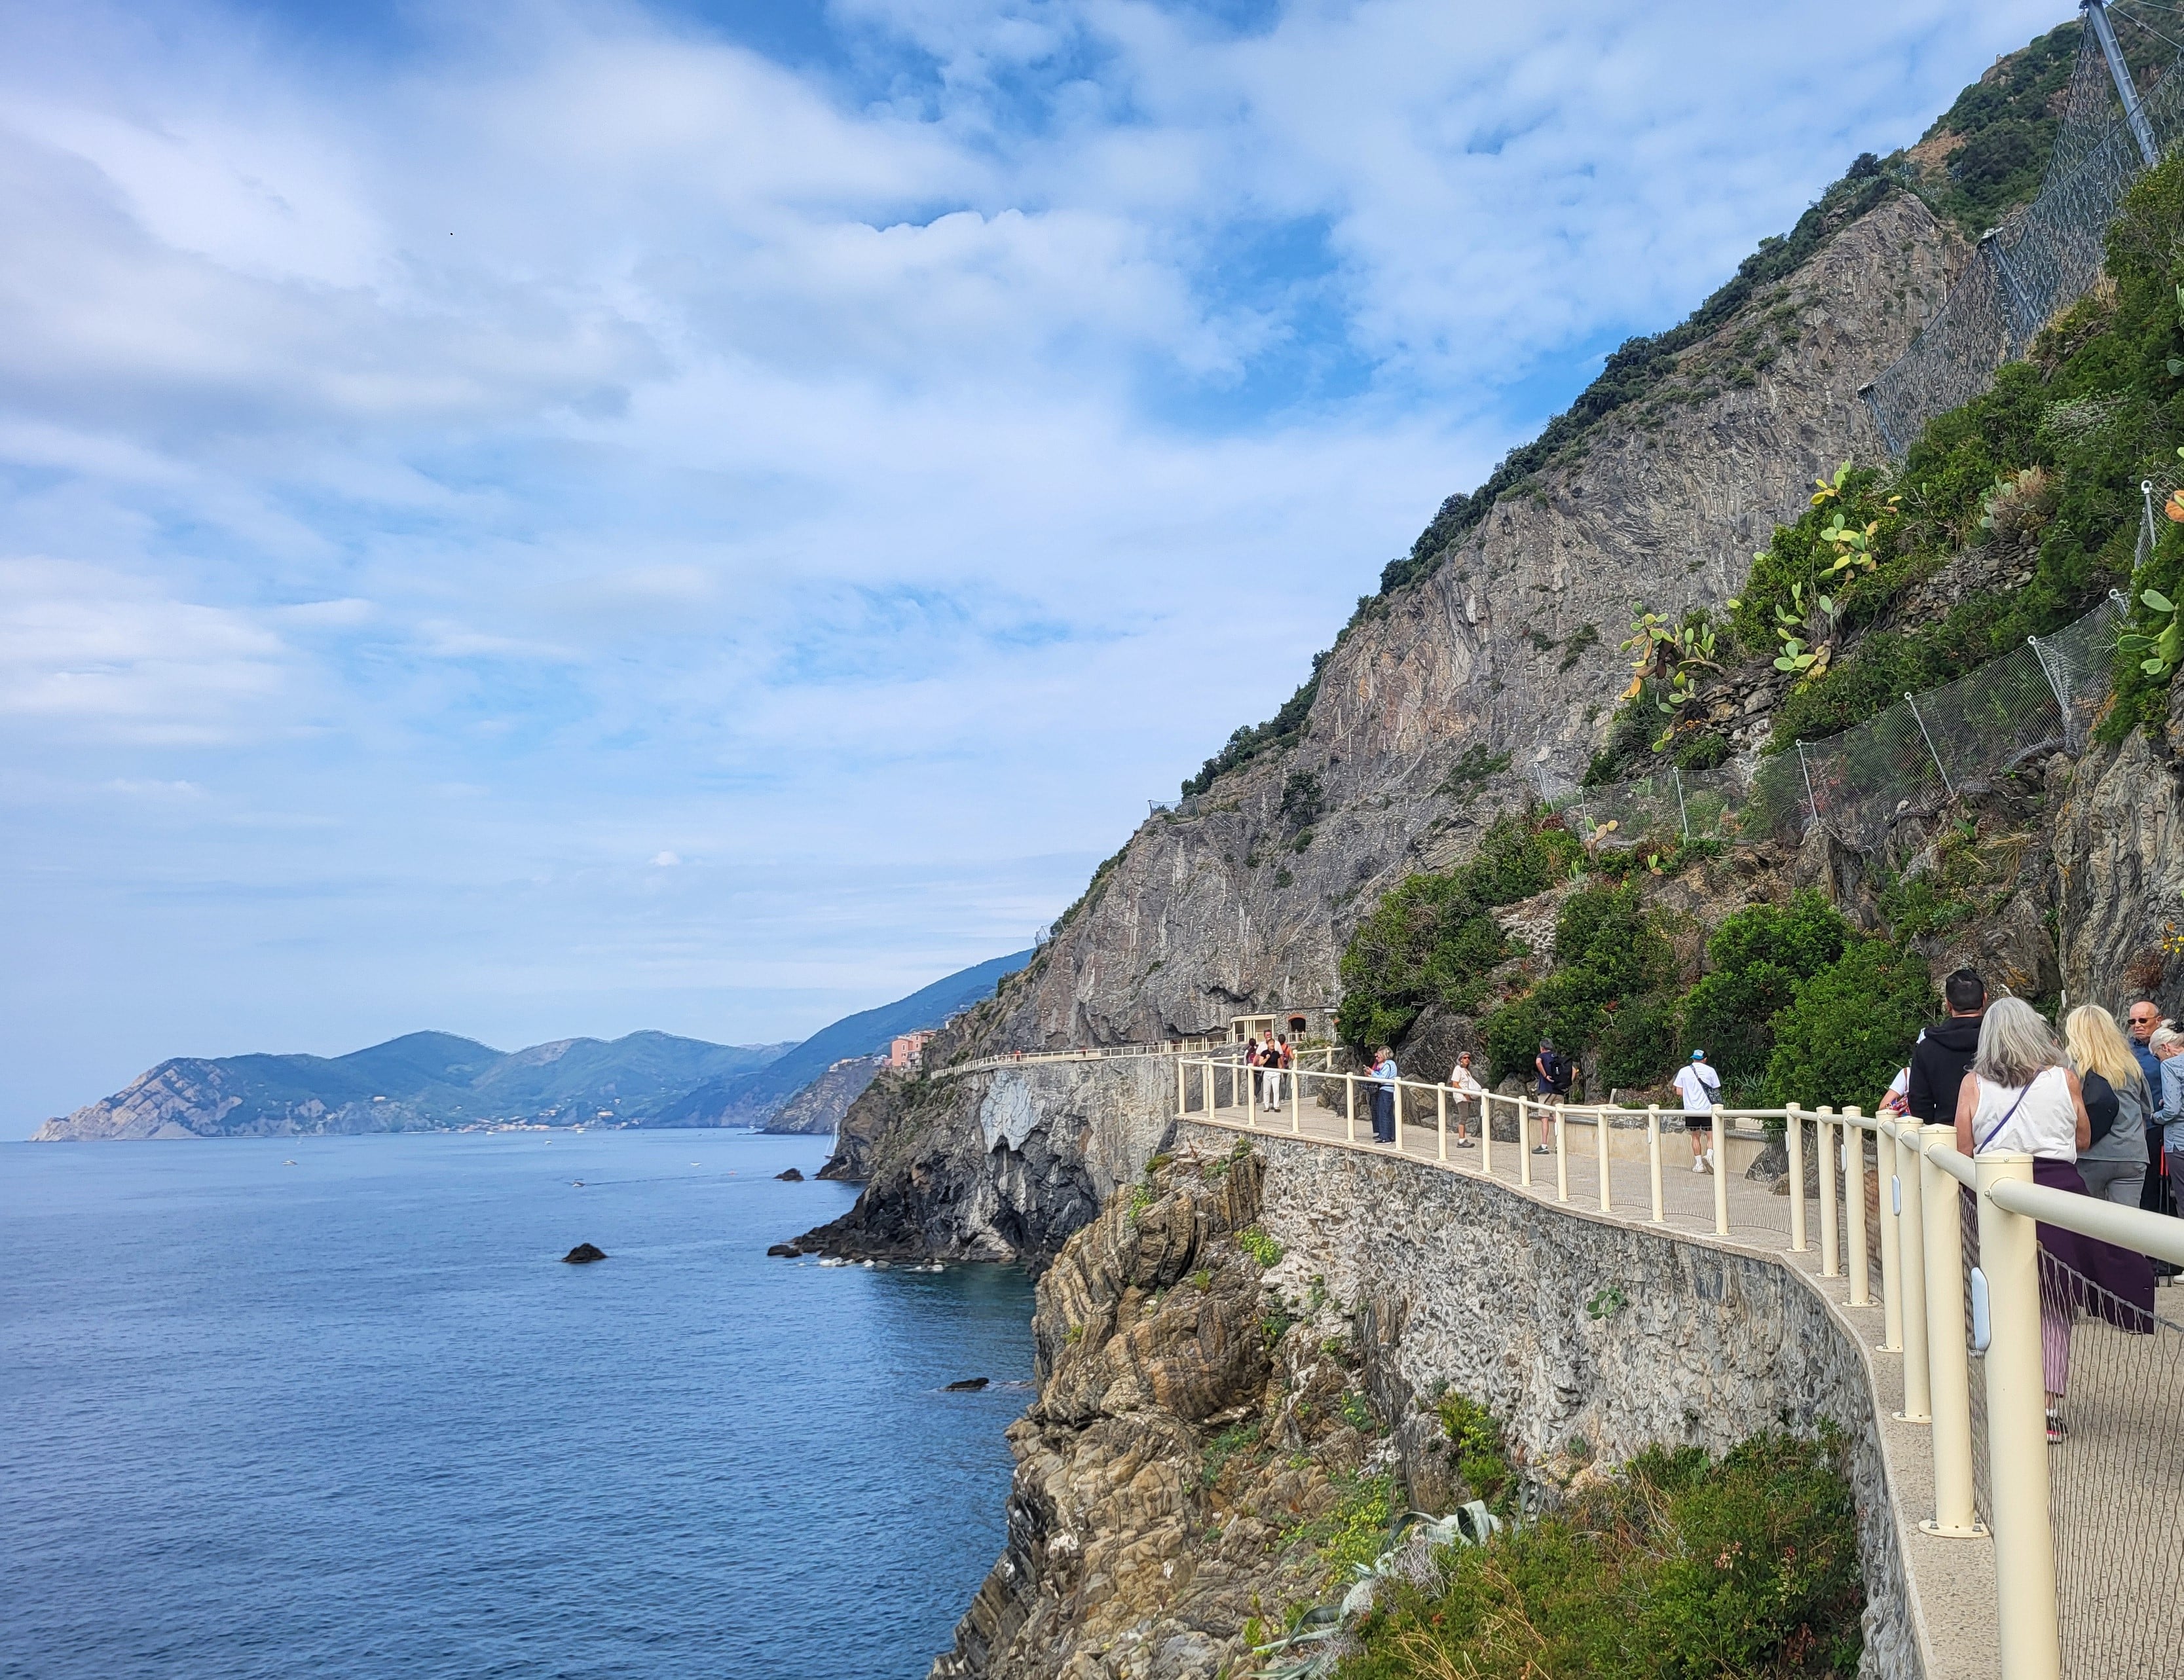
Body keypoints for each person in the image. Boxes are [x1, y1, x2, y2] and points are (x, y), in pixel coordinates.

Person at [1955, 998, 2155, 1443]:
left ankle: (2004, 1395)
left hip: (1993, 1199)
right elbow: (2081, 1137)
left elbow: (1963, 1150)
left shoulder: (1973, 1084)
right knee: (2054, 1303)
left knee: (1999, 1297)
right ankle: (2046, 1407)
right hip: (2056, 1194)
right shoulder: (2063, 1079)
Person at [2064, 1005, 2149, 1209]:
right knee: (2126, 1229)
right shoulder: (2132, 1067)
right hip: (2132, 1155)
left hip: (2090, 1155)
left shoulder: (2074, 1070)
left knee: (2089, 1227)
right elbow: (2146, 1111)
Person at [1908, 968, 1986, 1123]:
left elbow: (1919, 1104)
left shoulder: (1928, 1048)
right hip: (1996, 1138)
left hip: (1946, 1137)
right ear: (1985, 999)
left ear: (1948, 1005)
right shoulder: (2001, 1040)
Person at [2125, 1002, 2171, 1216]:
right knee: (2149, 1185)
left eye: (2143, 1020)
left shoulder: (2173, 1045)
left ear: (2158, 1020)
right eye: (2132, 1021)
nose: (2137, 1026)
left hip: (2172, 1124)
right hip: (2144, 1128)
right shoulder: (2126, 1050)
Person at [1673, 1048, 1722, 1172]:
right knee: (1711, 1135)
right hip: (1707, 1110)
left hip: (1691, 1110)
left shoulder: (1684, 1071)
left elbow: (1679, 1091)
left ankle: (1699, 1164)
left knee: (1695, 1136)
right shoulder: (1711, 1071)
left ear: (1693, 1058)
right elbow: (1716, 1090)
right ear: (1705, 1059)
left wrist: (1690, 1095)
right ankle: (1710, 1156)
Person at [1532, 1039, 1563, 1154]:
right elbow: (1574, 1070)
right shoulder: (1557, 1057)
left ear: (1542, 1048)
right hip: (1559, 1091)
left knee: (1544, 1117)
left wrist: (1545, 1076)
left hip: (1546, 1091)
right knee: (1557, 1118)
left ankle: (1544, 1145)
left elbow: (1538, 1062)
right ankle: (1558, 1145)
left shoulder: (1542, 1056)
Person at [1449, 1051, 1484, 1148]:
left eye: (1468, 1058)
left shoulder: (1466, 1071)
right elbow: (1455, 1084)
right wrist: (1465, 1093)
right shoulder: (1458, 1069)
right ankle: (1461, 1140)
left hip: (1466, 1096)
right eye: (1465, 1058)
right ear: (1460, 1059)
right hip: (1461, 1097)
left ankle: (1463, 1139)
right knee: (1463, 1117)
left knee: (1465, 1117)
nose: (1467, 1059)